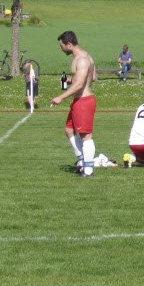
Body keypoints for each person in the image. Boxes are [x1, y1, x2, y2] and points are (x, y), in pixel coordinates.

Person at [50, 30, 97, 176]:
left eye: (62, 46)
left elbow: (80, 84)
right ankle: (82, 160)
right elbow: (93, 77)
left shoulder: (81, 59)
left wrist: (61, 97)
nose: (61, 49)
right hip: (79, 100)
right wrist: (72, 79)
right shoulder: (85, 56)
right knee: (69, 129)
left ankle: (88, 169)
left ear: (69, 44)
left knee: (85, 135)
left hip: (84, 100)